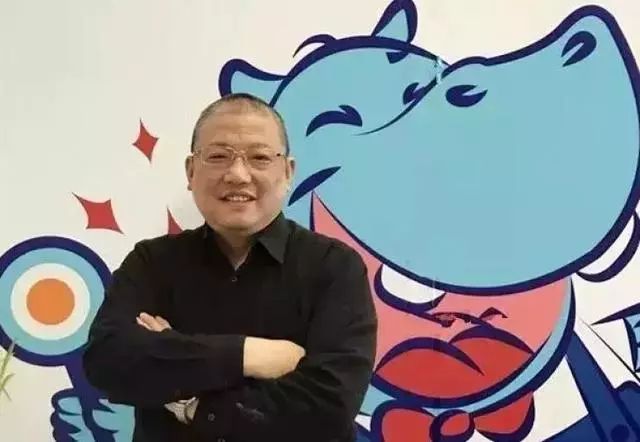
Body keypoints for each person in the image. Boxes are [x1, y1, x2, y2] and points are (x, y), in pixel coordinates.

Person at [81, 92, 378, 442]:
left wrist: (189, 399)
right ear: (191, 171)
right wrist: (249, 354)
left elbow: (329, 406)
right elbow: (108, 361)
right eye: (219, 156)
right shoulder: (151, 262)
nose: (237, 174)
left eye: (259, 157)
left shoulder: (335, 267)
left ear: (288, 172)